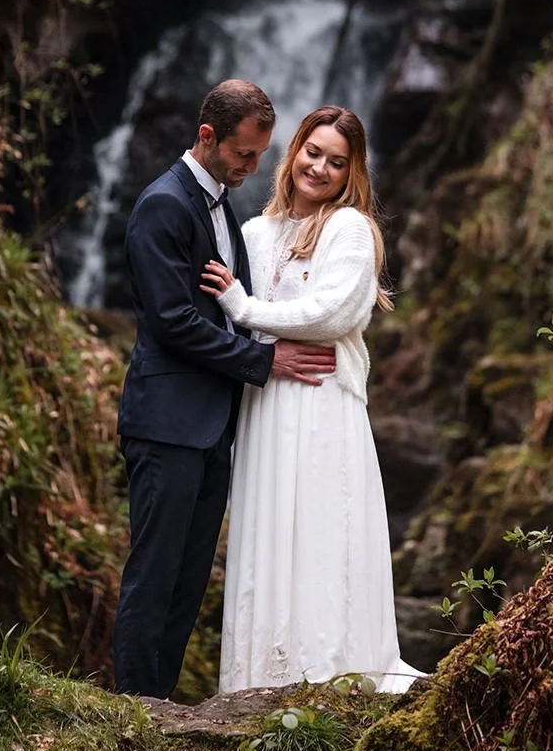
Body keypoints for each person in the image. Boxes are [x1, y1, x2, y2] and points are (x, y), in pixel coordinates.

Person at [113, 80, 337, 699]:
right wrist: (265, 362)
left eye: (261, 155)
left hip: (212, 426)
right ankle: (134, 709)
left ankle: (160, 705)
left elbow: (229, 309)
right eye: (243, 154)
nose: (253, 167)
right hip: (166, 423)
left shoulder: (223, 209)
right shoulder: (164, 203)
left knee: (188, 580)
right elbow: (173, 322)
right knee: (154, 573)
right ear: (207, 136)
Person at [202, 105, 422, 693]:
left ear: (353, 172)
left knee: (322, 530)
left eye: (336, 161)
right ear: (294, 149)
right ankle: (258, 682)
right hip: (265, 404)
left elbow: (332, 314)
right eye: (312, 152)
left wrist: (244, 308)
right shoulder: (253, 233)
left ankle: (328, 675)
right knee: (267, 531)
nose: (319, 168)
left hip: (322, 403)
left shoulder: (350, 229)